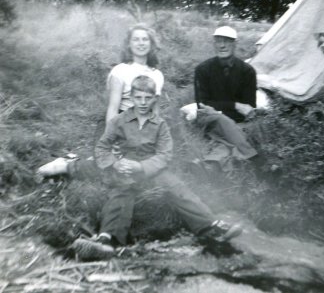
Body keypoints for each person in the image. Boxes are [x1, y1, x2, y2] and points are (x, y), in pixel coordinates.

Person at [38, 76, 242, 260]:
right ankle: (107, 240)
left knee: (178, 188)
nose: (143, 103)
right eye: (138, 98)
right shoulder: (119, 121)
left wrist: (141, 166)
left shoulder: (160, 124)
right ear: (132, 98)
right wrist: (115, 163)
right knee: (121, 193)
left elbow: (164, 155)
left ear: (154, 99)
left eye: (147, 98)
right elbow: (102, 147)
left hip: (151, 168)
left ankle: (210, 227)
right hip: (123, 166)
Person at [193, 26, 258, 167]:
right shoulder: (202, 70)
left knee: (229, 133)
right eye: (218, 41)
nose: (222, 45)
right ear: (213, 44)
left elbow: (249, 108)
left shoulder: (247, 71)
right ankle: (254, 157)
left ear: (235, 44)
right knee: (222, 120)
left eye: (227, 41)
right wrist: (234, 105)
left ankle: (209, 164)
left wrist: (221, 108)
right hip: (210, 119)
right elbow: (203, 105)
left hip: (237, 121)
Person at [106, 25, 164, 123]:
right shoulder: (120, 71)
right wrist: (111, 135)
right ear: (129, 44)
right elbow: (113, 109)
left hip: (147, 126)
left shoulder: (157, 75)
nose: (141, 43)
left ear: (151, 44)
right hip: (124, 125)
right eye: (136, 39)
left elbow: (155, 111)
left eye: (145, 39)